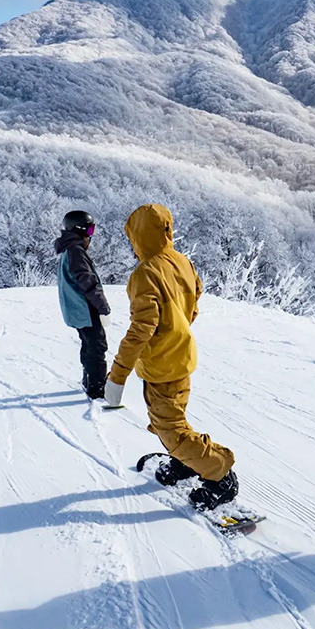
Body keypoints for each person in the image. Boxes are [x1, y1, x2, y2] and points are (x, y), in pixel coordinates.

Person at [102, 203, 238, 510]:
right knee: (169, 418)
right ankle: (186, 463)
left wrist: (117, 376)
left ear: (139, 237)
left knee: (171, 429)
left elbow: (141, 330)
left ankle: (220, 473)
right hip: (178, 358)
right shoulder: (182, 261)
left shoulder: (145, 273)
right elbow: (195, 297)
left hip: (163, 366)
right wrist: (180, 328)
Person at [55, 210, 112, 400]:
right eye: (89, 229)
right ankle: (97, 390)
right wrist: (103, 308)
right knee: (97, 346)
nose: (91, 234)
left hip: (77, 309)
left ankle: (89, 380)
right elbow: (88, 282)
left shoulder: (69, 250)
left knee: (88, 344)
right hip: (84, 308)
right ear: (78, 229)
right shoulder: (75, 251)